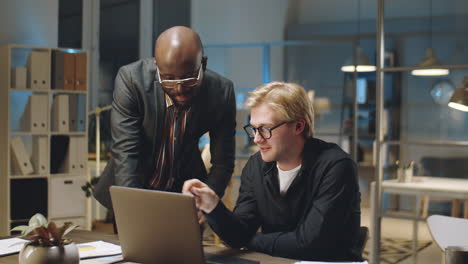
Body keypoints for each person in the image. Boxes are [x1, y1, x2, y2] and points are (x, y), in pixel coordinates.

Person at [183, 81, 362, 261]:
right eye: (253, 129)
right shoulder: (255, 166)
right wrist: (212, 206)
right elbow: (239, 232)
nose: (257, 139)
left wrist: (248, 240)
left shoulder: (337, 166)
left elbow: (310, 243)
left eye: (265, 129)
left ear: (298, 126)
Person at [93, 26, 236, 211]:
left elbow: (223, 161)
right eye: (168, 79)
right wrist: (132, 208)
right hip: (134, 186)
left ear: (204, 64)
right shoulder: (132, 80)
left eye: (189, 79)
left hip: (184, 195)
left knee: (185, 241)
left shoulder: (221, 92)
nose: (179, 89)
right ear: (156, 66)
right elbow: (126, 153)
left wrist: (206, 205)